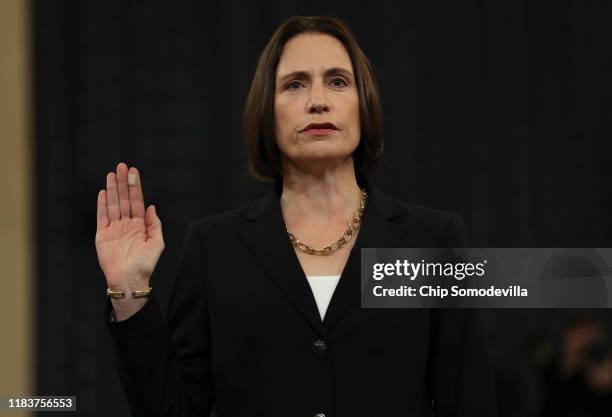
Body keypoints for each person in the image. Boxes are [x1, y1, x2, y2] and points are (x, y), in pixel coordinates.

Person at [95, 15, 497, 417]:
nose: (317, 100)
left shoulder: (432, 238)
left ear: (364, 103)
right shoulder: (213, 247)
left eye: (338, 81)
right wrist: (129, 291)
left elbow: (468, 400)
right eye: (295, 84)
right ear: (267, 112)